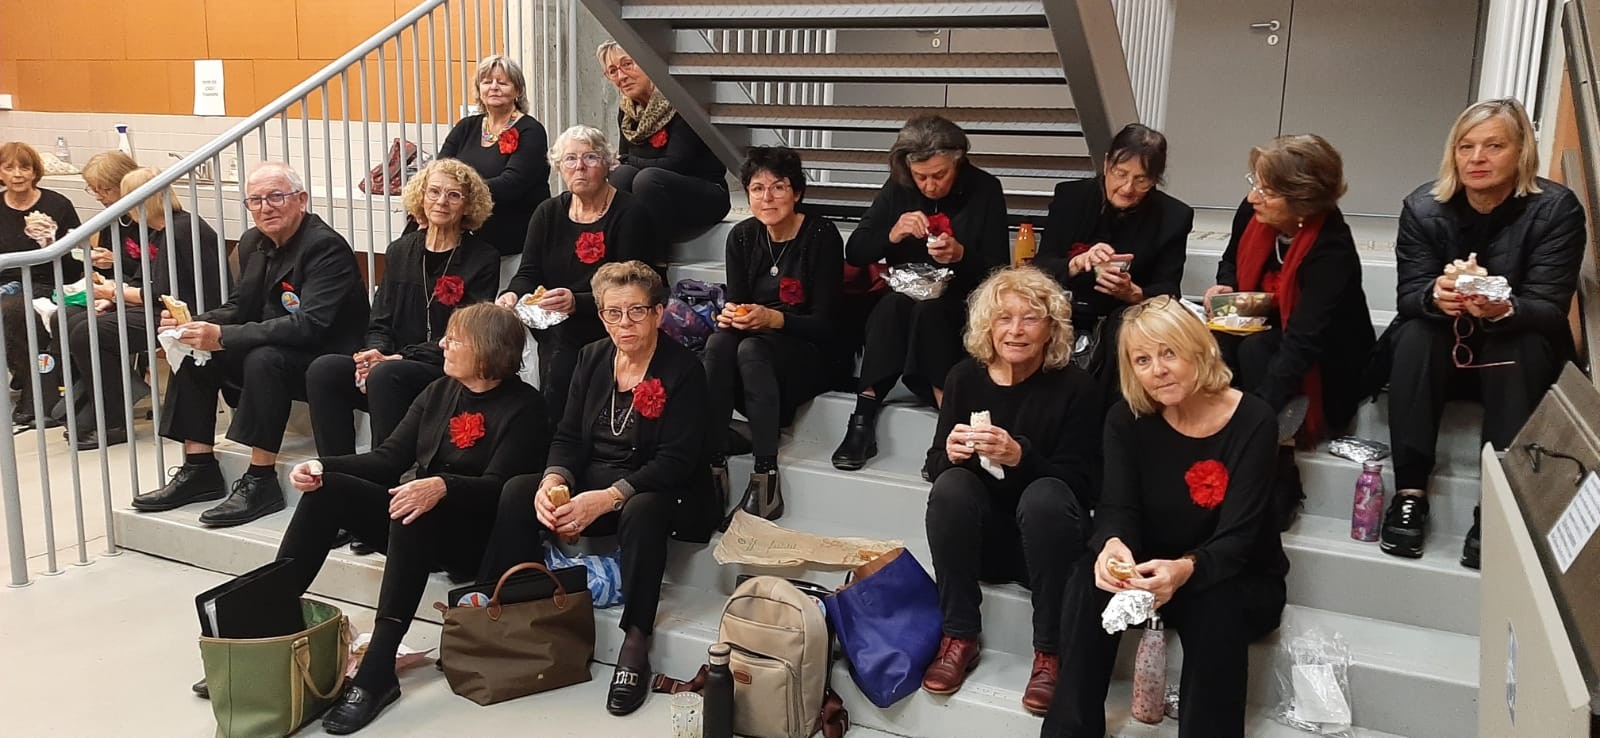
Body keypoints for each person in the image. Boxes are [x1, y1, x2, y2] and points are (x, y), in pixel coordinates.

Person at [271, 304, 547, 734]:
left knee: (412, 506)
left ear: (487, 350)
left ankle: (379, 669)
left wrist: (442, 486)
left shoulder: (526, 407)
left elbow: (501, 489)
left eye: (455, 339)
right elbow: (387, 459)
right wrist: (321, 465)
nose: (443, 344)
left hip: (477, 539)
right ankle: (269, 624)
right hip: (424, 522)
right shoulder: (439, 391)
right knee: (328, 491)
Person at [1042, 295, 1287, 738]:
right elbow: (1117, 507)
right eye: (1142, 360)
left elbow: (1240, 538)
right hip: (1151, 571)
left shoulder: (1254, 419)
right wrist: (1113, 544)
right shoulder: (1126, 419)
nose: (1157, 370)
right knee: (1086, 579)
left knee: (1216, 604)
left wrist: (1185, 568)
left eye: (1169, 353)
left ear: (1199, 351)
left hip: (1234, 573)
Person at [479, 260, 715, 717]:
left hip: (664, 487)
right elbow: (568, 436)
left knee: (643, 509)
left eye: (636, 311)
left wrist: (608, 498)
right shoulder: (591, 357)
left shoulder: (683, 369)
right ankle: (508, 612)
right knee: (518, 491)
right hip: (594, 479)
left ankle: (636, 642)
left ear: (658, 312)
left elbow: (677, 461)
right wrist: (554, 480)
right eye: (613, 312)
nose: (624, 324)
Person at [1381, 98, 1586, 568]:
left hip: (1515, 352)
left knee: (1520, 343)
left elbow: (1549, 308)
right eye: (1465, 146)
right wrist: (1436, 296)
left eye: (1494, 146)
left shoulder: (1556, 209)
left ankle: (1496, 505)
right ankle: (1409, 493)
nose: (1477, 158)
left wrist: (1500, 306)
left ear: (1521, 152)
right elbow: (1409, 295)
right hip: (1446, 349)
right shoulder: (1422, 206)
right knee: (1414, 335)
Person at [132, 162, 370, 528]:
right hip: (277, 342)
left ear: (301, 200)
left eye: (276, 197)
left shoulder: (325, 247)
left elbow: (311, 325)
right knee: (195, 351)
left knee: (263, 358)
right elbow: (240, 307)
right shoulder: (252, 242)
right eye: (255, 200)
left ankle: (261, 479)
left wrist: (224, 336)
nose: (265, 207)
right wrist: (197, 325)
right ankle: (199, 467)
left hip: (327, 355)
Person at [921, 267, 1101, 715]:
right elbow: (934, 465)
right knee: (951, 486)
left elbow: (1085, 486)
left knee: (1045, 496)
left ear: (1051, 329)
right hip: (983, 540)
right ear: (988, 326)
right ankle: (959, 635)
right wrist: (950, 454)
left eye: (1030, 318)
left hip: (1048, 541)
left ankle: (1051, 652)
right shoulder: (965, 378)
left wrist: (1022, 457)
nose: (1015, 330)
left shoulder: (1076, 387)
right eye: (1004, 318)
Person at [1202, 134, 1374, 530]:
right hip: (1261, 328)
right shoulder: (1252, 214)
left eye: (1266, 190)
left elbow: (1303, 342)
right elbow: (1231, 262)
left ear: (1302, 201)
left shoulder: (1331, 247)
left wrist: (1254, 416)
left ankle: (1279, 471)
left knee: (1257, 351)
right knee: (1213, 343)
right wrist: (1225, 285)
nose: (1253, 197)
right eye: (1255, 183)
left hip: (1325, 363)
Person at [831, 114, 1009, 472]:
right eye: (921, 176)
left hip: (960, 300)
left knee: (930, 313)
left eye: (939, 175)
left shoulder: (985, 188)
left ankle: (949, 429)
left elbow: (998, 270)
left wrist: (961, 254)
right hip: (905, 297)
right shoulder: (899, 186)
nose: (929, 185)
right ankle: (862, 420)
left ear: (958, 161)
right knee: (890, 308)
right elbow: (856, 251)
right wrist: (892, 234)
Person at [307, 159, 499, 458]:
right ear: (421, 197)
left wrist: (397, 358)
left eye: (453, 195)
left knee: (386, 374)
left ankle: (383, 471)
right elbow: (380, 320)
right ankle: (337, 469)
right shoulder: (400, 250)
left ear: (468, 206)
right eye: (434, 192)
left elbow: (467, 336)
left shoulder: (483, 258)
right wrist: (374, 353)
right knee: (325, 369)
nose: (441, 201)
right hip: (391, 362)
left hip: (443, 366)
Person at [704, 146, 843, 521]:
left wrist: (774, 319)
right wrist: (732, 315)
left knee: (751, 350)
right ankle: (713, 467)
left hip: (809, 352)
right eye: (757, 188)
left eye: (778, 187)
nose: (767, 198)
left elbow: (827, 324)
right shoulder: (742, 237)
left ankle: (765, 477)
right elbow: (739, 303)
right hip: (757, 350)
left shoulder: (821, 234)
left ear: (796, 192)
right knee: (718, 343)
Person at [63, 166, 229, 450]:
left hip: (187, 312)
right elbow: (145, 281)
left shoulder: (180, 231)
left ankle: (114, 420)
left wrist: (114, 292)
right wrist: (114, 297)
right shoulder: (159, 231)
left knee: (90, 332)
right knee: (76, 322)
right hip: (161, 307)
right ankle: (97, 407)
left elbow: (161, 291)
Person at [497, 125, 652, 423]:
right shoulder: (547, 212)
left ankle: (554, 435)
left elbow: (632, 285)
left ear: (606, 164)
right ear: (559, 167)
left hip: (607, 319)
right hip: (551, 317)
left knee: (562, 346)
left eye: (590, 157)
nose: (579, 166)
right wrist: (512, 294)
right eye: (570, 159)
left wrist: (576, 302)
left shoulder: (629, 212)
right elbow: (529, 272)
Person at [1035, 123, 1193, 402]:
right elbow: (1040, 267)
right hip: (1065, 303)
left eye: (1141, 180)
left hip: (1122, 314)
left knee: (1121, 330)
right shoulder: (1071, 197)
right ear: (1107, 163)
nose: (1128, 188)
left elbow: (1169, 291)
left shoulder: (1173, 216)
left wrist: (1134, 293)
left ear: (1155, 180)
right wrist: (1076, 263)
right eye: (1120, 174)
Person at [598, 41, 731, 252]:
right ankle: (622, 256)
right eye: (613, 71)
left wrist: (627, 161)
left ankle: (657, 259)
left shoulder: (680, 101)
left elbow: (676, 163)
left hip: (704, 194)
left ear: (648, 63)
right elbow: (624, 161)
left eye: (627, 64)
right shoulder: (627, 112)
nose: (621, 76)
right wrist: (623, 163)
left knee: (647, 179)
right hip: (655, 197)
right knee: (621, 175)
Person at [435, 55, 551, 256]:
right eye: (487, 82)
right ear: (479, 89)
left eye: (503, 83)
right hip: (463, 236)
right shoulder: (466, 127)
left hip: (511, 239)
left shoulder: (531, 130)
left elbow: (512, 183)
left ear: (518, 90)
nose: (494, 87)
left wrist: (459, 193)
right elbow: (440, 170)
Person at [1, 141, 82, 428]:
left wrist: (50, 244)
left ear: (35, 171)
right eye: (9, 168)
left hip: (49, 280)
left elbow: (76, 260)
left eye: (25, 167)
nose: (18, 174)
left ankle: (34, 390)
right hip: (6, 281)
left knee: (14, 311)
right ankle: (27, 379)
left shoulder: (57, 205)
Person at [78, 151, 141, 279]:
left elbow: (158, 272)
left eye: (106, 190)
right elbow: (105, 272)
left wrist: (116, 261)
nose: (98, 197)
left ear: (126, 185)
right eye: (94, 190)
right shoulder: (111, 217)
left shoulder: (151, 221)